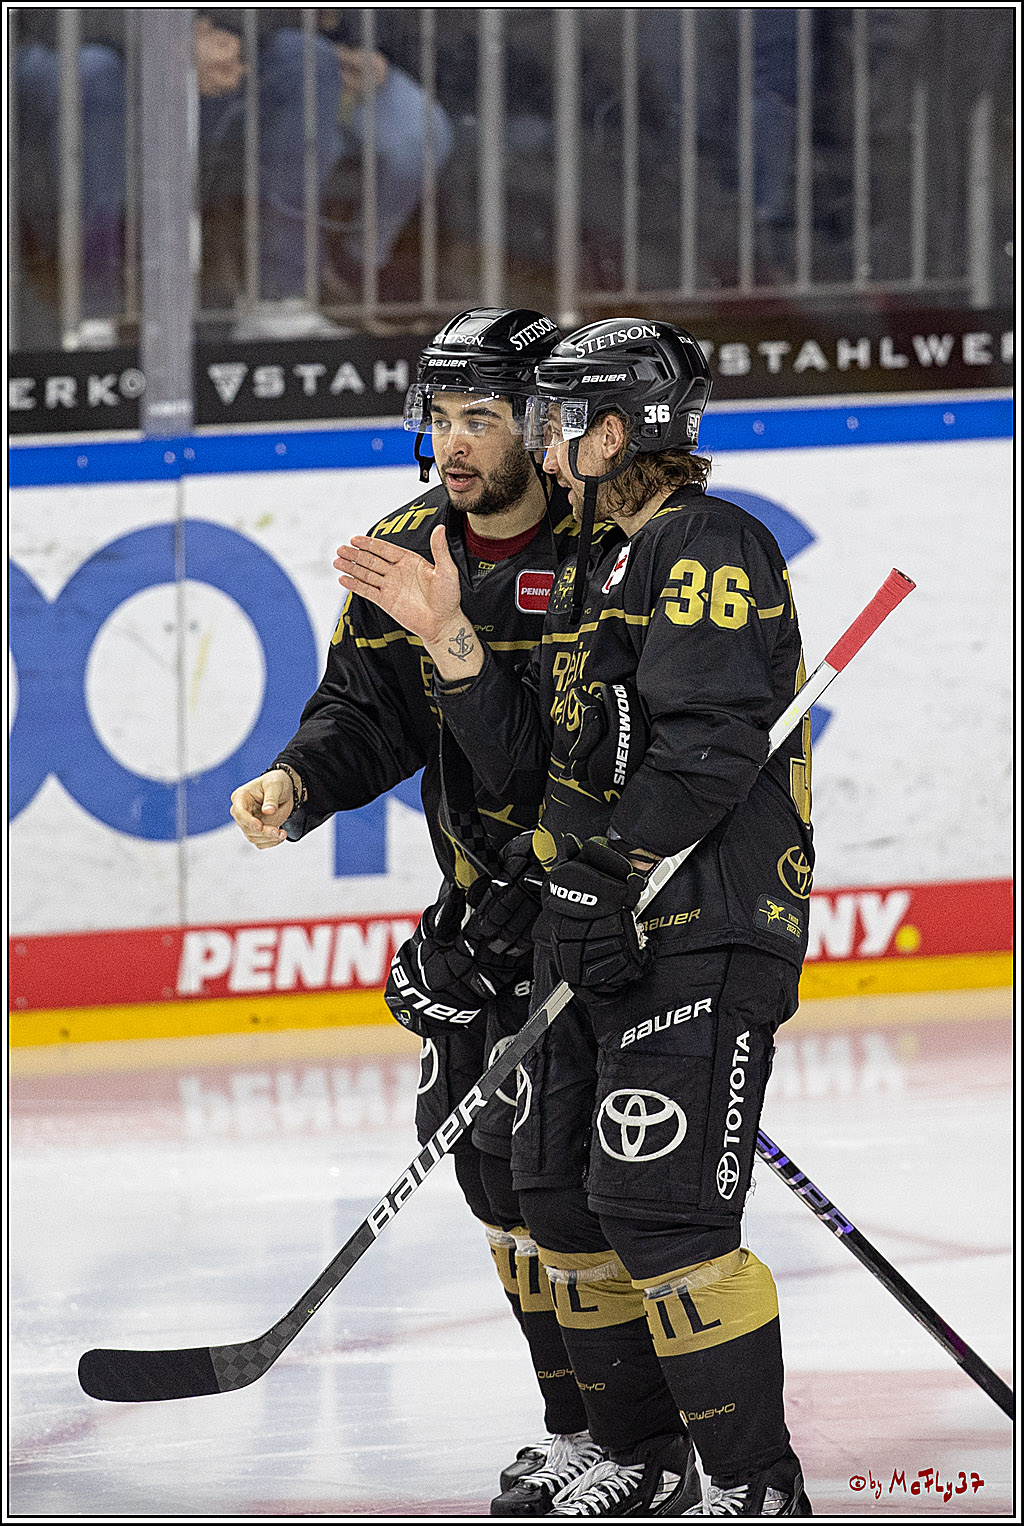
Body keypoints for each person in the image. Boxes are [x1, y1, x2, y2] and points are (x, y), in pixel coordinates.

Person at [334, 318, 815, 1515]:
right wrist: (502, 907)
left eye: (554, 417)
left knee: (660, 1214)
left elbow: (706, 752)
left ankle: (756, 1487)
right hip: (607, 922)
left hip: (701, 918)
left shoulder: (706, 541)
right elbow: (544, 770)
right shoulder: (603, 560)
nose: (539, 441)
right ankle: (640, 1457)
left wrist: (599, 870)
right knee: (563, 1198)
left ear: (609, 432)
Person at [230, 308, 696, 1514]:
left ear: (544, 422)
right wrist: (301, 777)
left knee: (576, 1187)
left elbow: (598, 757)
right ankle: (580, 1429)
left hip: (600, 899)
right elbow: (366, 711)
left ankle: (644, 1437)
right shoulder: (408, 543)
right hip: (485, 905)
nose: (451, 443)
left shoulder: (611, 547)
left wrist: (554, 894)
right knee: (491, 1175)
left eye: (478, 416)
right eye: (437, 417)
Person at [13, 8, 452, 346]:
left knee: (308, 60)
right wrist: (169, 37)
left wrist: (227, 32)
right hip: (82, 37)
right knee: (94, 74)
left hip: (236, 35)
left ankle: (284, 294)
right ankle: (93, 309)